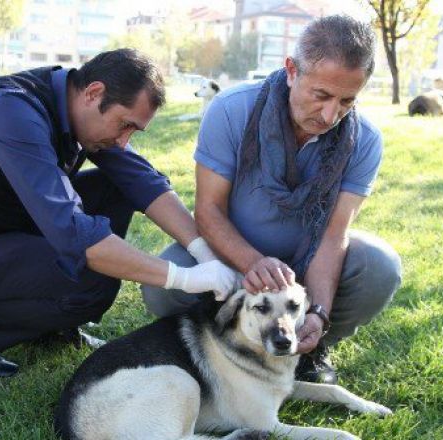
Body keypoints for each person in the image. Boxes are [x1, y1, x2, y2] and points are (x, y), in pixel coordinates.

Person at [0, 49, 238, 377]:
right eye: (124, 124)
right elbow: (75, 236)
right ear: (94, 93)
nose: (124, 141)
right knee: (92, 278)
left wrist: (203, 251)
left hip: (2, 227)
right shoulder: (10, 111)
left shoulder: (77, 109)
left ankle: (51, 324)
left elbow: (143, 182)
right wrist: (185, 278)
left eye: (133, 131)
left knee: (117, 186)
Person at [141, 15, 402, 384]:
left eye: (347, 100)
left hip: (307, 263)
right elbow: (209, 211)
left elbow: (333, 235)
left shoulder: (365, 140)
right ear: (292, 71)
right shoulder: (231, 110)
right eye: (321, 95)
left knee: (380, 266)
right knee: (160, 290)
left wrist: (318, 313)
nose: (331, 115)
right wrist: (253, 263)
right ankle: (220, 343)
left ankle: (310, 348)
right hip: (230, 253)